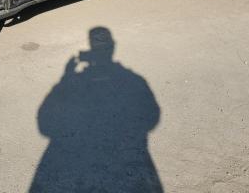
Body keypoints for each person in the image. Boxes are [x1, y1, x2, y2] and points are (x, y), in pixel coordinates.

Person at [31, 27, 162, 192]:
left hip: (81, 165)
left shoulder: (78, 82)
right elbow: (152, 117)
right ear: (113, 47)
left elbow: (44, 124)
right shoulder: (134, 79)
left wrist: (66, 77)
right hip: (124, 160)